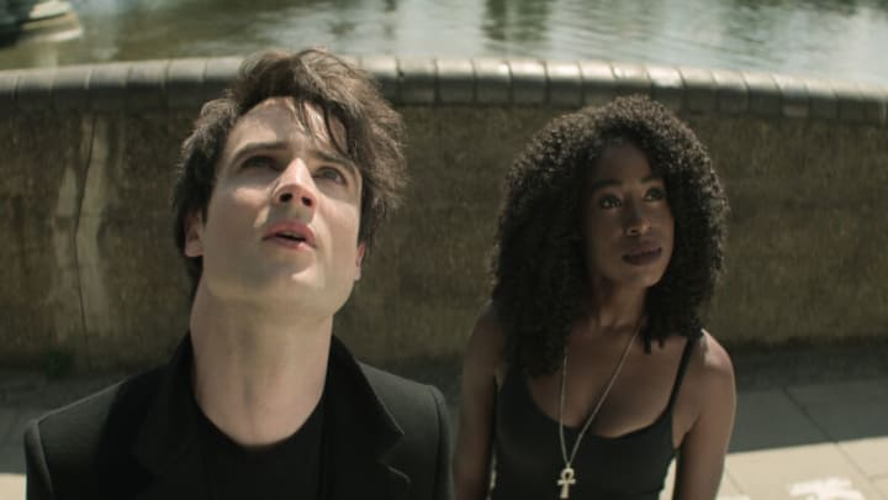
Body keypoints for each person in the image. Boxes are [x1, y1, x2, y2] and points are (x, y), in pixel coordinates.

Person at [24, 48, 452, 500]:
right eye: (261, 162)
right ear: (195, 228)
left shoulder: (420, 437)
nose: (297, 186)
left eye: (331, 173)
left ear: (358, 256)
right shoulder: (72, 464)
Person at [454, 95, 735, 500]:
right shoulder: (503, 329)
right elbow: (465, 485)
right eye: (610, 202)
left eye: (654, 194)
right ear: (571, 223)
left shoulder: (705, 372)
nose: (639, 223)